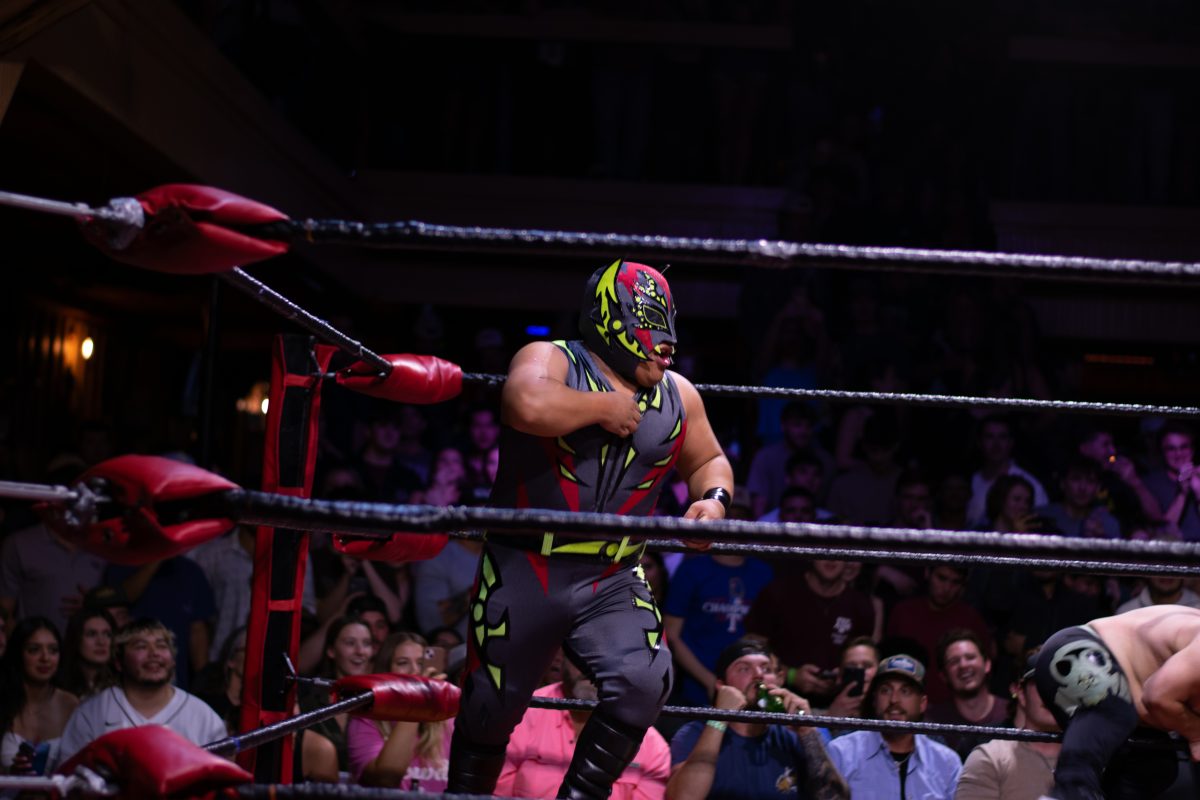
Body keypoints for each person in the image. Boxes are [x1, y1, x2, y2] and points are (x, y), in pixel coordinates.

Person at [447, 259, 734, 799]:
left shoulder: (678, 395)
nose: (664, 350)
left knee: (647, 681)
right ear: (611, 324)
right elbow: (524, 403)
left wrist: (712, 503)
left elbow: (709, 459)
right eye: (653, 338)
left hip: (614, 572)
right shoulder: (550, 358)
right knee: (489, 709)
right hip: (527, 564)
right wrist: (602, 407)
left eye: (669, 338)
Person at [1030, 605, 1200, 798]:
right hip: (1080, 653)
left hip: (1126, 695)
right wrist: (1196, 734)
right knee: (1114, 709)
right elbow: (1156, 696)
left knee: (1156, 766)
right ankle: (1068, 791)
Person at [667, 639, 848, 800]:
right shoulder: (695, 733)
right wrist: (719, 717)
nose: (759, 675)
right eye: (744, 668)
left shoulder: (793, 735)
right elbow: (683, 796)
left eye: (766, 669)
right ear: (722, 685)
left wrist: (807, 730)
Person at [57, 618, 226, 765]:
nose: (154, 653)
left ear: (173, 659)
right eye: (141, 646)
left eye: (161, 645)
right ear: (118, 662)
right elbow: (69, 779)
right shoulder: (92, 713)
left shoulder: (203, 716)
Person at [498, 657, 671, 799]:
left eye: (607, 658)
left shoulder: (653, 746)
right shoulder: (522, 713)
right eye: (585, 655)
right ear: (561, 658)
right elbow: (495, 794)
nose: (594, 669)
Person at [827, 654, 962, 799]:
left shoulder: (947, 763)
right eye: (885, 690)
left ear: (922, 703)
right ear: (874, 699)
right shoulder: (841, 752)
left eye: (905, 691)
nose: (894, 700)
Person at [744, 559, 875, 703]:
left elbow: (867, 662)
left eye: (839, 547)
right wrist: (791, 675)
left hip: (841, 706)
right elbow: (750, 651)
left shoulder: (861, 606)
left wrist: (845, 675)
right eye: (824, 546)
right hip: (779, 702)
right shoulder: (778, 593)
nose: (831, 556)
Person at [663, 549, 774, 706]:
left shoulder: (762, 572)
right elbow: (672, 635)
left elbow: (766, 632)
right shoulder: (693, 569)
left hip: (748, 686)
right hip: (696, 687)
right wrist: (710, 681)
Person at [348, 632, 452, 791]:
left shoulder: (449, 722)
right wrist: (416, 705)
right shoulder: (366, 720)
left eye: (421, 663)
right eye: (403, 663)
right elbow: (385, 779)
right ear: (386, 671)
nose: (415, 671)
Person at [955, 651, 1060, 800]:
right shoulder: (990, 758)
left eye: (1063, 682)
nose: (1052, 692)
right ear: (1021, 694)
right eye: (1043, 681)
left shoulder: (1097, 756)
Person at [887, 566, 991, 705]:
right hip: (907, 706)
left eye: (955, 582)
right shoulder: (903, 612)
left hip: (955, 711)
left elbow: (984, 672)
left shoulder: (971, 619)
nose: (947, 588)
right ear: (927, 573)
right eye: (942, 578)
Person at [0, 617, 78, 774]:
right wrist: (10, 772)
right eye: (34, 650)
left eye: (53, 650)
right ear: (18, 654)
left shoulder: (70, 704)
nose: (45, 658)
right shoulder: (3, 699)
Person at [299, 615, 374, 773]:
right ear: (331, 651)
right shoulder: (309, 702)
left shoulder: (380, 701)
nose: (360, 651)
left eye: (366, 644)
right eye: (350, 643)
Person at [926, 631, 1009, 762]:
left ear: (987, 664)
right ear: (943, 676)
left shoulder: (1010, 713)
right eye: (954, 661)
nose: (963, 665)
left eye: (970, 657)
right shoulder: (932, 722)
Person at [966, 416, 1048, 527]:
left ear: (1011, 443)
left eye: (1002, 437)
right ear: (979, 442)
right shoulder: (970, 482)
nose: (996, 444)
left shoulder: (1031, 485)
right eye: (989, 437)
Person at [1035, 457, 1121, 540]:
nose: (1082, 488)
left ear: (1098, 488)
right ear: (1062, 483)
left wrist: (1102, 539)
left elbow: (1118, 553)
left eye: (1090, 481)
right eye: (1076, 479)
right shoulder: (1041, 516)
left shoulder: (1107, 523)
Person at [1141, 423, 1200, 541]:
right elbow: (1161, 532)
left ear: (1192, 450)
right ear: (1162, 453)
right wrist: (1183, 493)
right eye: (1171, 449)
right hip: (1172, 553)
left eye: (1184, 447)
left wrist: (1198, 492)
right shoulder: (1151, 483)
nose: (1178, 454)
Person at [57, 608, 116, 699]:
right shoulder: (59, 688)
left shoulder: (122, 685)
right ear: (76, 639)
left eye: (107, 634)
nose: (101, 642)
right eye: (91, 634)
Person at [1116, 575, 1200, 613]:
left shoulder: (1197, 611)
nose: (1166, 573)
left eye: (1174, 564)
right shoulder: (1127, 612)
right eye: (1160, 564)